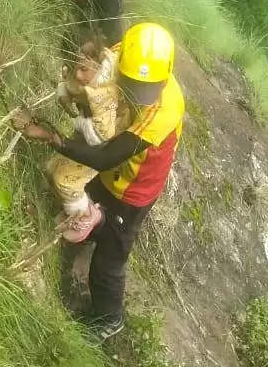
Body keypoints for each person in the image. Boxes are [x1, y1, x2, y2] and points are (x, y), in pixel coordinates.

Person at [18, 22, 184, 341]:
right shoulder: (123, 54)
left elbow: (108, 156)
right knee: (80, 193)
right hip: (107, 167)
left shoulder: (165, 108)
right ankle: (91, 223)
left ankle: (109, 319)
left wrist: (55, 138)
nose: (140, 94)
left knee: (110, 257)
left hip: (135, 186)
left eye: (147, 86)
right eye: (133, 83)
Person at [42, 38, 128, 243]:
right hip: (87, 135)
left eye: (83, 70)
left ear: (98, 66)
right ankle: (67, 206)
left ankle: (86, 216)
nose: (78, 75)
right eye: (75, 69)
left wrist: (81, 122)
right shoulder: (89, 74)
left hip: (101, 147)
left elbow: (102, 137)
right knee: (54, 169)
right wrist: (64, 91)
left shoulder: (105, 92)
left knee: (65, 180)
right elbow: (72, 83)